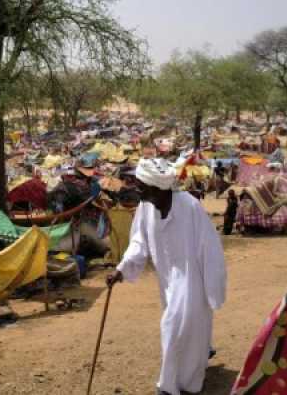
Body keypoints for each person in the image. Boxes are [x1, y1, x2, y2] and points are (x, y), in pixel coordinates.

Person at [107, 158, 227, 395]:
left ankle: (169, 387)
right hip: (167, 281)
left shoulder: (189, 206)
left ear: (156, 187)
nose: (137, 189)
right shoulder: (145, 208)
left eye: (141, 184)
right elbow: (139, 242)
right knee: (187, 333)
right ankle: (190, 375)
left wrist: (213, 286)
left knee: (173, 327)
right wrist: (121, 270)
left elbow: (210, 248)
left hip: (193, 279)